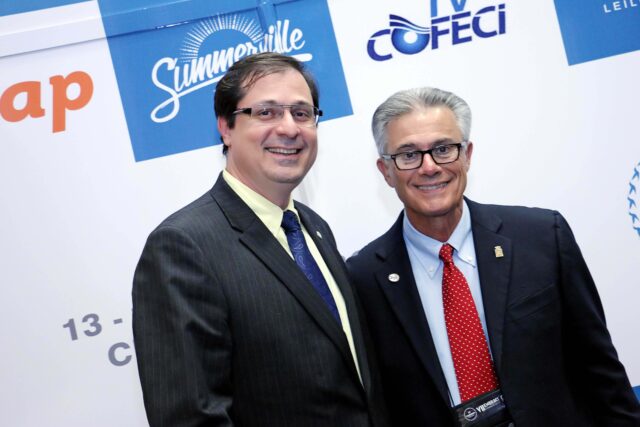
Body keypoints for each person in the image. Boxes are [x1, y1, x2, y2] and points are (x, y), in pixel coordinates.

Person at [347, 87, 640, 426]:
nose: (429, 167)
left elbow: (601, 373)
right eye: (408, 154)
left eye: (443, 149)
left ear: (467, 155)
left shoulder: (543, 237)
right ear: (386, 170)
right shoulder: (362, 279)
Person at [133, 52, 387, 427]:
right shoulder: (183, 246)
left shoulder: (313, 227)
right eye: (266, 112)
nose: (289, 128)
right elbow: (190, 417)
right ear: (226, 127)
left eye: (302, 113)